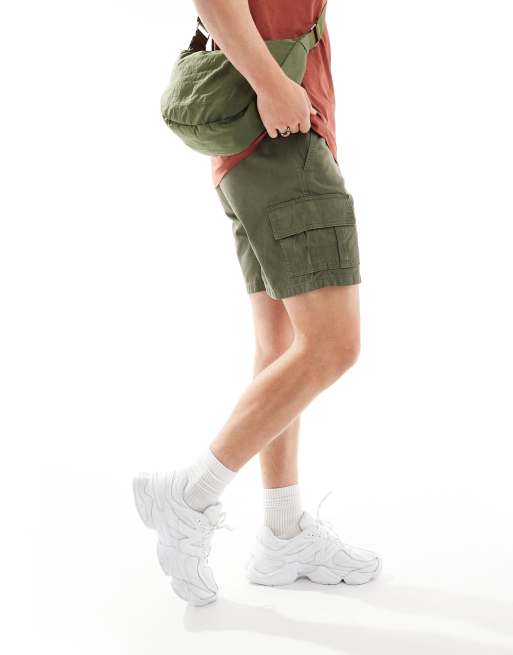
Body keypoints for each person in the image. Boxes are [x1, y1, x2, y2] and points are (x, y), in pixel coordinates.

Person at [133, 0, 381, 607]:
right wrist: (274, 88)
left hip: (265, 140)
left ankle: (284, 534)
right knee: (332, 345)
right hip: (278, 135)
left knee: (282, 348)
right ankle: (188, 494)